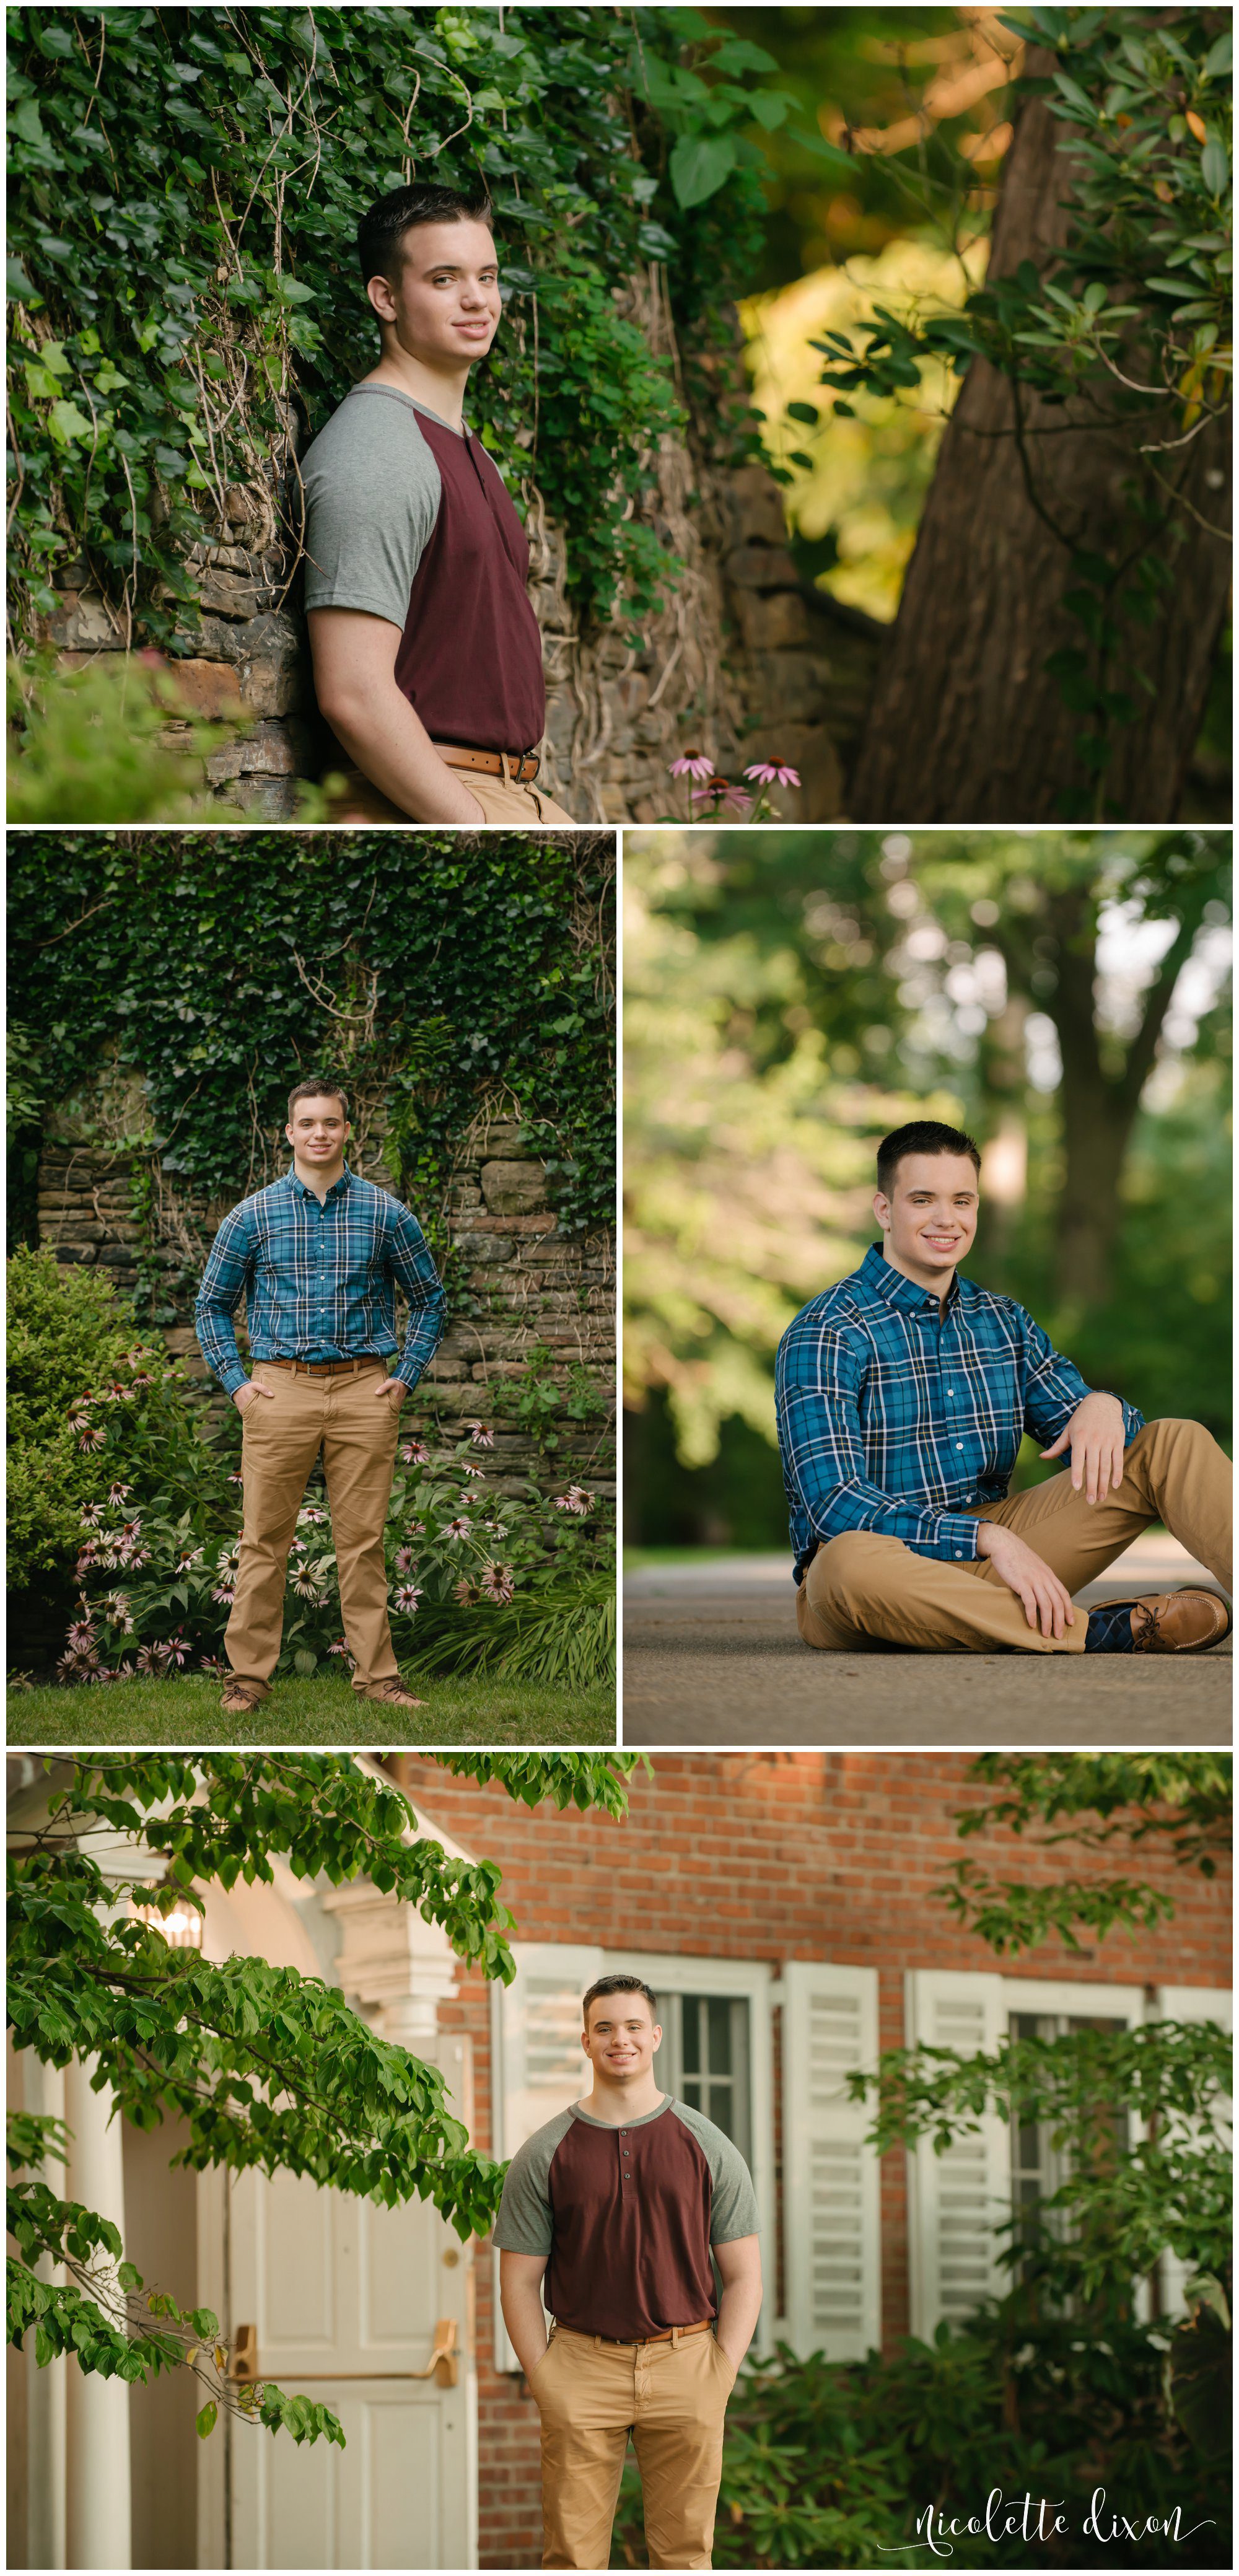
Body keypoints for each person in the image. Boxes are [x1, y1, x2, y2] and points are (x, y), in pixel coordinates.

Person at [776, 1119, 1233, 1657]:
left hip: (1003, 1557)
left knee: (1171, 1443)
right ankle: (1098, 1632)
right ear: (884, 1210)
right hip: (883, 1575)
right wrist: (984, 1539)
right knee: (843, 1563)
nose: (946, 1219)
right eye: (923, 1200)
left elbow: (1084, 1434)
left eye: (962, 1201)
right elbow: (834, 1503)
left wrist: (1103, 1404)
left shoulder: (1002, 1321)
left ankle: (999, 1623)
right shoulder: (826, 1331)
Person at [300, 180, 576, 828]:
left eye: (486, 276)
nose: (477, 299)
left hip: (506, 794)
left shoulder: (454, 442)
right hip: (423, 804)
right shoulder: (378, 449)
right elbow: (354, 692)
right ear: (386, 297)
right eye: (445, 279)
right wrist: (473, 827)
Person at [193, 1079, 445, 1715]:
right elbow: (212, 1308)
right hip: (279, 1389)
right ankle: (247, 1682)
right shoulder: (250, 1216)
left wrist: (404, 1377)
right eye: (307, 1124)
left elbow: (430, 1300)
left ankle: (379, 1678)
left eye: (331, 1123)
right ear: (289, 1133)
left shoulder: (387, 1214)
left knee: (362, 1544)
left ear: (347, 1131)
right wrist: (241, 1388)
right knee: (262, 1542)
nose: (319, 1134)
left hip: (366, 1388)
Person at [495, 1974, 762, 2571]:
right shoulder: (545, 2153)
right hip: (582, 2368)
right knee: (572, 2557)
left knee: (686, 2557)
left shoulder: (708, 2145)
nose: (622, 2040)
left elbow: (745, 2277)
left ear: (656, 2036)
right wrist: (546, 2380)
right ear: (586, 2042)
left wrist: (720, 2371)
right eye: (606, 2028)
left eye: (634, 2026)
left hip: (687, 2362)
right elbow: (517, 2283)